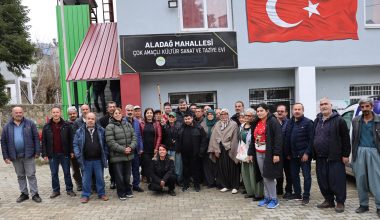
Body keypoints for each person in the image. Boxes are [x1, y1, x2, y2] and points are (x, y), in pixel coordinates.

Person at [313, 97, 351, 213]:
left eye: (326, 104)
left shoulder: (339, 120)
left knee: (337, 180)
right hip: (320, 157)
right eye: (321, 104)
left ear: (331, 105)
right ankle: (329, 200)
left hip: (335, 157)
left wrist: (345, 154)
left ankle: (340, 202)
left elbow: (345, 139)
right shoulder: (317, 120)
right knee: (323, 180)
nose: (323, 106)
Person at [1, 106, 42, 203]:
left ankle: (35, 194)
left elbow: (36, 138)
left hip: (28, 154)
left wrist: (37, 152)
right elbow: (3, 142)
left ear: (23, 113)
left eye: (20, 112)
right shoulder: (7, 126)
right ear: (12, 113)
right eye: (16, 112)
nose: (19, 114)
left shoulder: (30, 123)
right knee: (20, 175)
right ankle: (24, 194)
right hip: (14, 155)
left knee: (31, 174)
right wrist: (5, 156)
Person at [247, 103, 283, 209]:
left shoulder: (272, 121)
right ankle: (267, 197)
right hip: (258, 152)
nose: (259, 113)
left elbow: (278, 138)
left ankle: (274, 199)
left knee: (269, 176)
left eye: (261, 111)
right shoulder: (256, 122)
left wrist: (276, 154)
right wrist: (250, 152)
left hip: (269, 154)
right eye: (257, 111)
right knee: (264, 176)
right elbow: (253, 139)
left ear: (267, 111)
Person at [351, 98, 380, 217]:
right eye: (362, 107)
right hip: (359, 151)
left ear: (371, 106)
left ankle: (379, 206)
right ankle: (363, 204)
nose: (365, 109)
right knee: (360, 179)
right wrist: (353, 154)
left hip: (375, 152)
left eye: (367, 106)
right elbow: (354, 138)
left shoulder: (378, 120)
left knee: (376, 180)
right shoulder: (356, 120)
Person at [73, 112, 109, 203]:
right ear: (85, 119)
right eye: (88, 118)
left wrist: (105, 154)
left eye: (92, 119)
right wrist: (78, 155)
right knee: (86, 179)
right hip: (86, 160)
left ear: (95, 120)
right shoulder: (79, 131)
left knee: (100, 178)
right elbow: (75, 144)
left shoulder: (101, 130)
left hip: (98, 160)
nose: (90, 120)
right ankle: (85, 195)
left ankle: (101, 194)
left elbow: (105, 144)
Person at [42, 106, 76, 198]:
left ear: (60, 113)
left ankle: (69, 189)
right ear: (51, 114)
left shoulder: (67, 125)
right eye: (54, 112)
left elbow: (71, 139)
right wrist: (44, 154)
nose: (56, 114)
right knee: (54, 173)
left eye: (57, 112)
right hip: (52, 154)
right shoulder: (46, 126)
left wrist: (72, 151)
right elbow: (44, 141)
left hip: (65, 153)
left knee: (67, 173)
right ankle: (56, 190)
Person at [283, 103, 313, 205]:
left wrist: (307, 153)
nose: (297, 111)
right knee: (294, 175)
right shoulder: (290, 122)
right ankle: (297, 193)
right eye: (295, 109)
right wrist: (287, 152)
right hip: (292, 156)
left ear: (302, 110)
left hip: (304, 155)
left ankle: (306, 196)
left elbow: (311, 140)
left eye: (299, 109)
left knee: (306, 176)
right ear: (292, 111)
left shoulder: (308, 123)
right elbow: (287, 138)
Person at [106, 108, 137, 200]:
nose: (118, 114)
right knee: (119, 176)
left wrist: (131, 147)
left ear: (122, 114)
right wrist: (123, 149)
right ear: (113, 115)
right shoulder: (109, 126)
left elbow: (134, 137)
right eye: (116, 113)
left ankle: (128, 190)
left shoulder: (128, 124)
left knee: (127, 175)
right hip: (117, 156)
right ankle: (121, 193)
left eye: (119, 112)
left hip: (128, 155)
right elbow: (110, 142)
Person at [208, 108, 240, 194]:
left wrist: (233, 150)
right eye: (222, 114)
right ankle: (225, 185)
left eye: (225, 114)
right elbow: (213, 138)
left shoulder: (233, 124)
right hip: (219, 148)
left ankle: (235, 186)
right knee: (222, 168)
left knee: (233, 168)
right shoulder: (217, 124)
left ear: (228, 115)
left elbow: (235, 139)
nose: (223, 116)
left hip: (230, 148)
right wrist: (215, 150)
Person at [177, 113, 207, 192]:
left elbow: (204, 140)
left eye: (188, 119)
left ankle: (196, 185)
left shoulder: (199, 127)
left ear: (192, 118)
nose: (187, 121)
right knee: (185, 170)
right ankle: (185, 185)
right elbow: (178, 139)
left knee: (195, 170)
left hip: (195, 153)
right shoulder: (181, 127)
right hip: (184, 153)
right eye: (185, 119)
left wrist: (201, 151)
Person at [239, 108, 264, 201]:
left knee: (254, 173)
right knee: (245, 173)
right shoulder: (242, 126)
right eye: (246, 115)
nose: (247, 117)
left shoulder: (256, 126)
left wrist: (251, 151)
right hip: (243, 153)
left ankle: (258, 194)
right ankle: (250, 192)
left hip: (253, 152)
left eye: (250, 116)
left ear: (254, 117)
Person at [125, 104, 144, 192]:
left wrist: (141, 147)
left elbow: (139, 135)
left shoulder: (137, 121)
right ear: (125, 111)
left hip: (136, 150)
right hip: (127, 150)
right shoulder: (122, 121)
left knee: (136, 168)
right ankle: (127, 186)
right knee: (127, 170)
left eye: (131, 110)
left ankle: (136, 185)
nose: (130, 112)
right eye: (128, 110)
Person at [98, 101, 117, 189]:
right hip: (107, 146)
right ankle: (113, 180)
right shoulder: (102, 120)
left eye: (114, 107)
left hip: (118, 145)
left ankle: (120, 180)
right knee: (111, 165)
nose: (112, 108)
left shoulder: (119, 118)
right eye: (110, 107)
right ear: (107, 108)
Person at [140, 108, 162, 183]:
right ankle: (148, 178)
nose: (149, 114)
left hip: (154, 148)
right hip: (145, 148)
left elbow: (159, 136)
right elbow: (140, 136)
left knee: (154, 164)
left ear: (153, 114)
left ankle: (154, 179)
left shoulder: (156, 123)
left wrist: (156, 148)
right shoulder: (142, 123)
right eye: (147, 113)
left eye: (151, 113)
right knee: (146, 163)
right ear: (145, 114)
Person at [275, 104, 292, 198]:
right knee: (278, 173)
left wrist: (289, 152)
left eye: (282, 111)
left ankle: (289, 190)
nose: (280, 113)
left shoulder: (290, 123)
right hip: (277, 153)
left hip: (287, 154)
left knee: (288, 173)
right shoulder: (274, 123)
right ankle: (279, 189)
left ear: (286, 112)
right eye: (278, 111)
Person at [200, 109, 217, 188]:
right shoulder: (203, 124)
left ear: (214, 115)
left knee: (215, 165)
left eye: (211, 114)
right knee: (207, 166)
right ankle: (210, 182)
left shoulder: (218, 124)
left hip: (215, 147)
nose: (210, 115)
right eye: (208, 114)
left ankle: (217, 181)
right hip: (206, 147)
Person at [67, 106, 82, 191]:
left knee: (84, 168)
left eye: (74, 113)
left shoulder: (81, 122)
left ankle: (87, 183)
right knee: (75, 169)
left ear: (77, 113)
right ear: (68, 115)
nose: (72, 115)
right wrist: (70, 151)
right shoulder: (66, 124)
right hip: (72, 151)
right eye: (70, 114)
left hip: (82, 149)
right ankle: (79, 184)